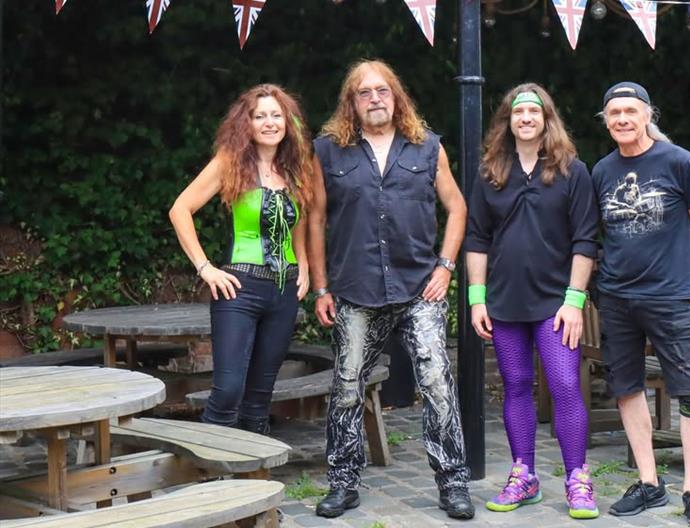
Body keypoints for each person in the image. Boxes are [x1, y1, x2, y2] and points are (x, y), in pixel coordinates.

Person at [307, 59, 474, 520]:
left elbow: (457, 208)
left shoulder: (427, 147)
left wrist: (445, 266)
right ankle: (342, 482)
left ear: (396, 97)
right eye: (365, 92)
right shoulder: (328, 151)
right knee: (345, 386)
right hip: (355, 289)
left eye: (383, 90)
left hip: (420, 286)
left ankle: (453, 483)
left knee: (438, 382)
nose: (375, 98)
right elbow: (316, 219)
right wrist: (321, 287)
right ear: (352, 102)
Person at [465, 83, 601, 519]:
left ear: (546, 120)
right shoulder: (490, 173)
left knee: (563, 385)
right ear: (508, 121)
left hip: (556, 304)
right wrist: (476, 298)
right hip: (504, 303)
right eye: (518, 112)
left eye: (534, 112)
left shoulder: (571, 171)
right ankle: (524, 475)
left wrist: (575, 301)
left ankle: (577, 477)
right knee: (516, 385)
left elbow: (585, 239)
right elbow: (476, 238)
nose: (526, 119)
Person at [591, 81, 690, 526]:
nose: (622, 119)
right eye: (614, 113)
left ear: (648, 115)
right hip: (617, 297)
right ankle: (649, 482)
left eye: (630, 111)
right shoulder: (601, 171)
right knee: (626, 386)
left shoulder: (679, 161)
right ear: (606, 122)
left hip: (667, 295)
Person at [169, 84, 315, 434]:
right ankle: (212, 470)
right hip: (239, 290)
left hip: (283, 293)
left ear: (288, 122)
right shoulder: (229, 163)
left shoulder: (296, 169)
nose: (269, 122)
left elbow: (300, 220)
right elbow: (180, 210)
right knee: (229, 389)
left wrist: (305, 264)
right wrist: (205, 268)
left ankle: (253, 475)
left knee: (260, 395)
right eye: (260, 116)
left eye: (276, 115)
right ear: (246, 123)